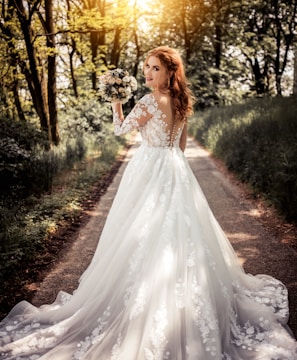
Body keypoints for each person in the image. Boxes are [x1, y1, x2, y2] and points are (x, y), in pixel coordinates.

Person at [0, 46, 296, 360]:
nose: (148, 73)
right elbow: (180, 147)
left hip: (148, 169)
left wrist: (115, 102)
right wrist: (173, 171)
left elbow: (120, 129)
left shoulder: (147, 101)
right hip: (175, 170)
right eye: (146, 68)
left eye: (154, 68)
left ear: (170, 71)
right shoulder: (182, 102)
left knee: (141, 233)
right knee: (182, 235)